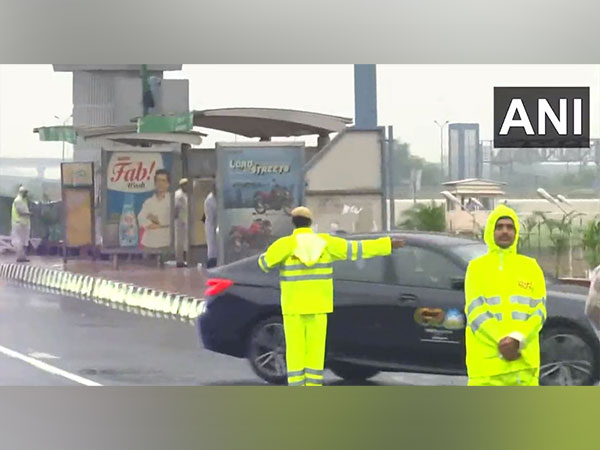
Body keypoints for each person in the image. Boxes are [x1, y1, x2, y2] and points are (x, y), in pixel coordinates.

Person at [258, 206, 405, 386]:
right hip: (319, 306)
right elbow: (357, 249)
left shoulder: (285, 245)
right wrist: (387, 245)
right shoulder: (325, 243)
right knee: (315, 352)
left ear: (293, 223)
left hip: (294, 307)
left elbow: (264, 263)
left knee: (295, 351)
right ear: (310, 223)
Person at [464, 204, 547, 386]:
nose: (505, 231)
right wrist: (503, 342)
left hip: (523, 365)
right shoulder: (476, 268)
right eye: (499, 227)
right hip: (486, 368)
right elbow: (475, 312)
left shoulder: (531, 267)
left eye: (510, 227)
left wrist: (517, 340)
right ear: (491, 232)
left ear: (516, 233)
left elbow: (539, 312)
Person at [138, 169, 171, 251]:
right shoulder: (148, 202)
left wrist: (152, 218)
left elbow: (172, 220)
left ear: (168, 184)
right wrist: (151, 223)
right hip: (148, 243)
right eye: (158, 180)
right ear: (155, 183)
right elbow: (141, 218)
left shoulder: (173, 200)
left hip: (166, 243)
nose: (160, 183)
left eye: (163, 181)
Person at [11, 186, 32, 263]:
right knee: (19, 241)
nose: (26, 194)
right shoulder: (18, 200)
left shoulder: (23, 200)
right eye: (25, 192)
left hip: (23, 223)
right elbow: (21, 212)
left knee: (23, 241)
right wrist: (30, 214)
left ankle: (22, 256)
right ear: (22, 192)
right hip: (19, 223)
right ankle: (20, 257)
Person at [174, 178, 189, 268]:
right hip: (179, 221)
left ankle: (185, 260)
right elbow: (175, 208)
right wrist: (177, 219)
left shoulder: (186, 194)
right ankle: (179, 261)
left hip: (185, 220)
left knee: (184, 241)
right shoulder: (178, 195)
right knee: (179, 241)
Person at [203, 183, 218, 268]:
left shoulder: (221, 197)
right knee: (212, 245)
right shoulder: (210, 200)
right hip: (212, 224)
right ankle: (212, 261)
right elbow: (210, 219)